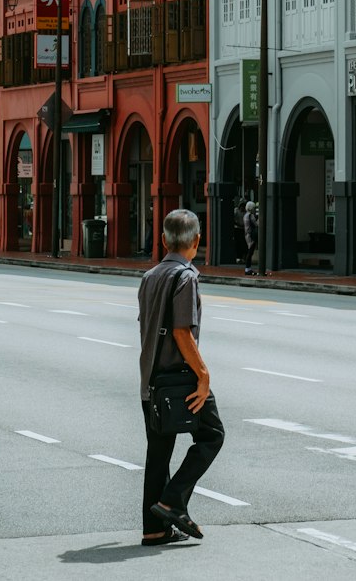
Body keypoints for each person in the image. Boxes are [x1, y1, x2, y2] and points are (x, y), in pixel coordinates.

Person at [138, 207, 224, 548]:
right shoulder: (185, 277)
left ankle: (154, 529)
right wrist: (203, 375)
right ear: (198, 241)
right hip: (180, 382)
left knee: (158, 454)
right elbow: (181, 332)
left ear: (163, 240)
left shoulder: (150, 276)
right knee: (212, 435)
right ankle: (173, 500)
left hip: (150, 382)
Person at [242, 199, 258, 275]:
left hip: (247, 235)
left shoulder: (245, 215)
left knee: (249, 251)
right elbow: (256, 224)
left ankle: (248, 268)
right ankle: (247, 268)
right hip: (251, 235)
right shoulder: (250, 215)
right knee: (250, 252)